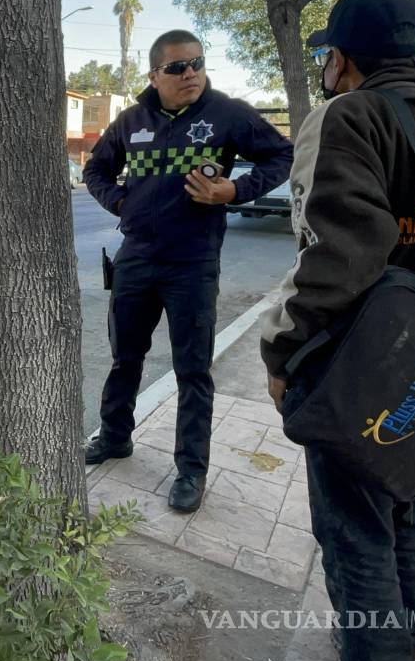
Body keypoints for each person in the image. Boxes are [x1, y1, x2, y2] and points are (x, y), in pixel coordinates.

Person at [261, 0, 415, 661]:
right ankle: (408, 637)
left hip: (366, 362)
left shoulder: (353, 115)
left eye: (327, 56)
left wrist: (284, 353)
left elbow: (336, 257)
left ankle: (379, 648)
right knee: (406, 496)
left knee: (355, 534)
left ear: (341, 59)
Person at [83, 29, 293, 512]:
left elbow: (282, 155)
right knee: (124, 358)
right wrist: (121, 202)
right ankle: (114, 436)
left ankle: (191, 471)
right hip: (136, 258)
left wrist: (236, 191)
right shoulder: (131, 120)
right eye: (177, 67)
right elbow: (96, 170)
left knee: (193, 370)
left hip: (193, 263)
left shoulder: (227, 113)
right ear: (154, 75)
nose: (190, 74)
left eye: (197, 63)